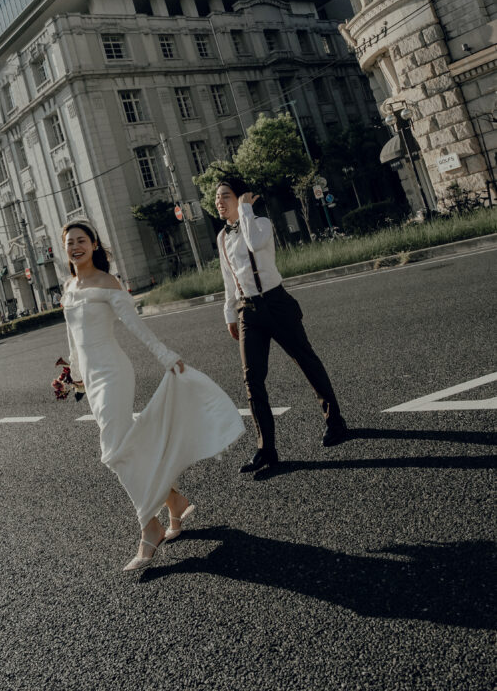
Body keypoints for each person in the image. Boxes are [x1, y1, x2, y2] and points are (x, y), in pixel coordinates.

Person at [60, 220, 244, 572]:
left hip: (114, 373)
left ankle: (150, 527)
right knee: (129, 445)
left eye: (82, 240)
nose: (76, 247)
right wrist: (74, 375)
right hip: (93, 379)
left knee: (113, 452)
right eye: (70, 243)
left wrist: (166, 356)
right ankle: (173, 501)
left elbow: (135, 326)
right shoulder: (69, 286)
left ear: (95, 244)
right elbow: (72, 337)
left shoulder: (107, 283)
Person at [215, 177, 348, 476]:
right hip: (247, 310)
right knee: (252, 380)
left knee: (306, 360)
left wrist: (247, 210)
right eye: (216, 199)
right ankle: (267, 450)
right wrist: (229, 314)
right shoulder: (222, 238)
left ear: (242, 197)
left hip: (276, 303)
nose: (219, 202)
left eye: (225, 196)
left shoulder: (260, 224)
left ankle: (335, 421)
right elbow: (228, 280)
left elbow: (254, 243)